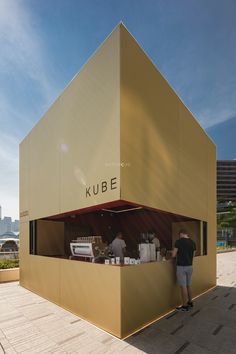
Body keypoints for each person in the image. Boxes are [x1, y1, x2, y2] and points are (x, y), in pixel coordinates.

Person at [172, 229, 196, 311]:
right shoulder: (192, 242)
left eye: (179, 235)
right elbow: (194, 254)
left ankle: (184, 306)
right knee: (188, 285)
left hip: (181, 267)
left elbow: (173, 255)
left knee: (183, 287)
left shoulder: (178, 242)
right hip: (190, 266)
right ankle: (190, 302)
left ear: (181, 234)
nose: (179, 236)